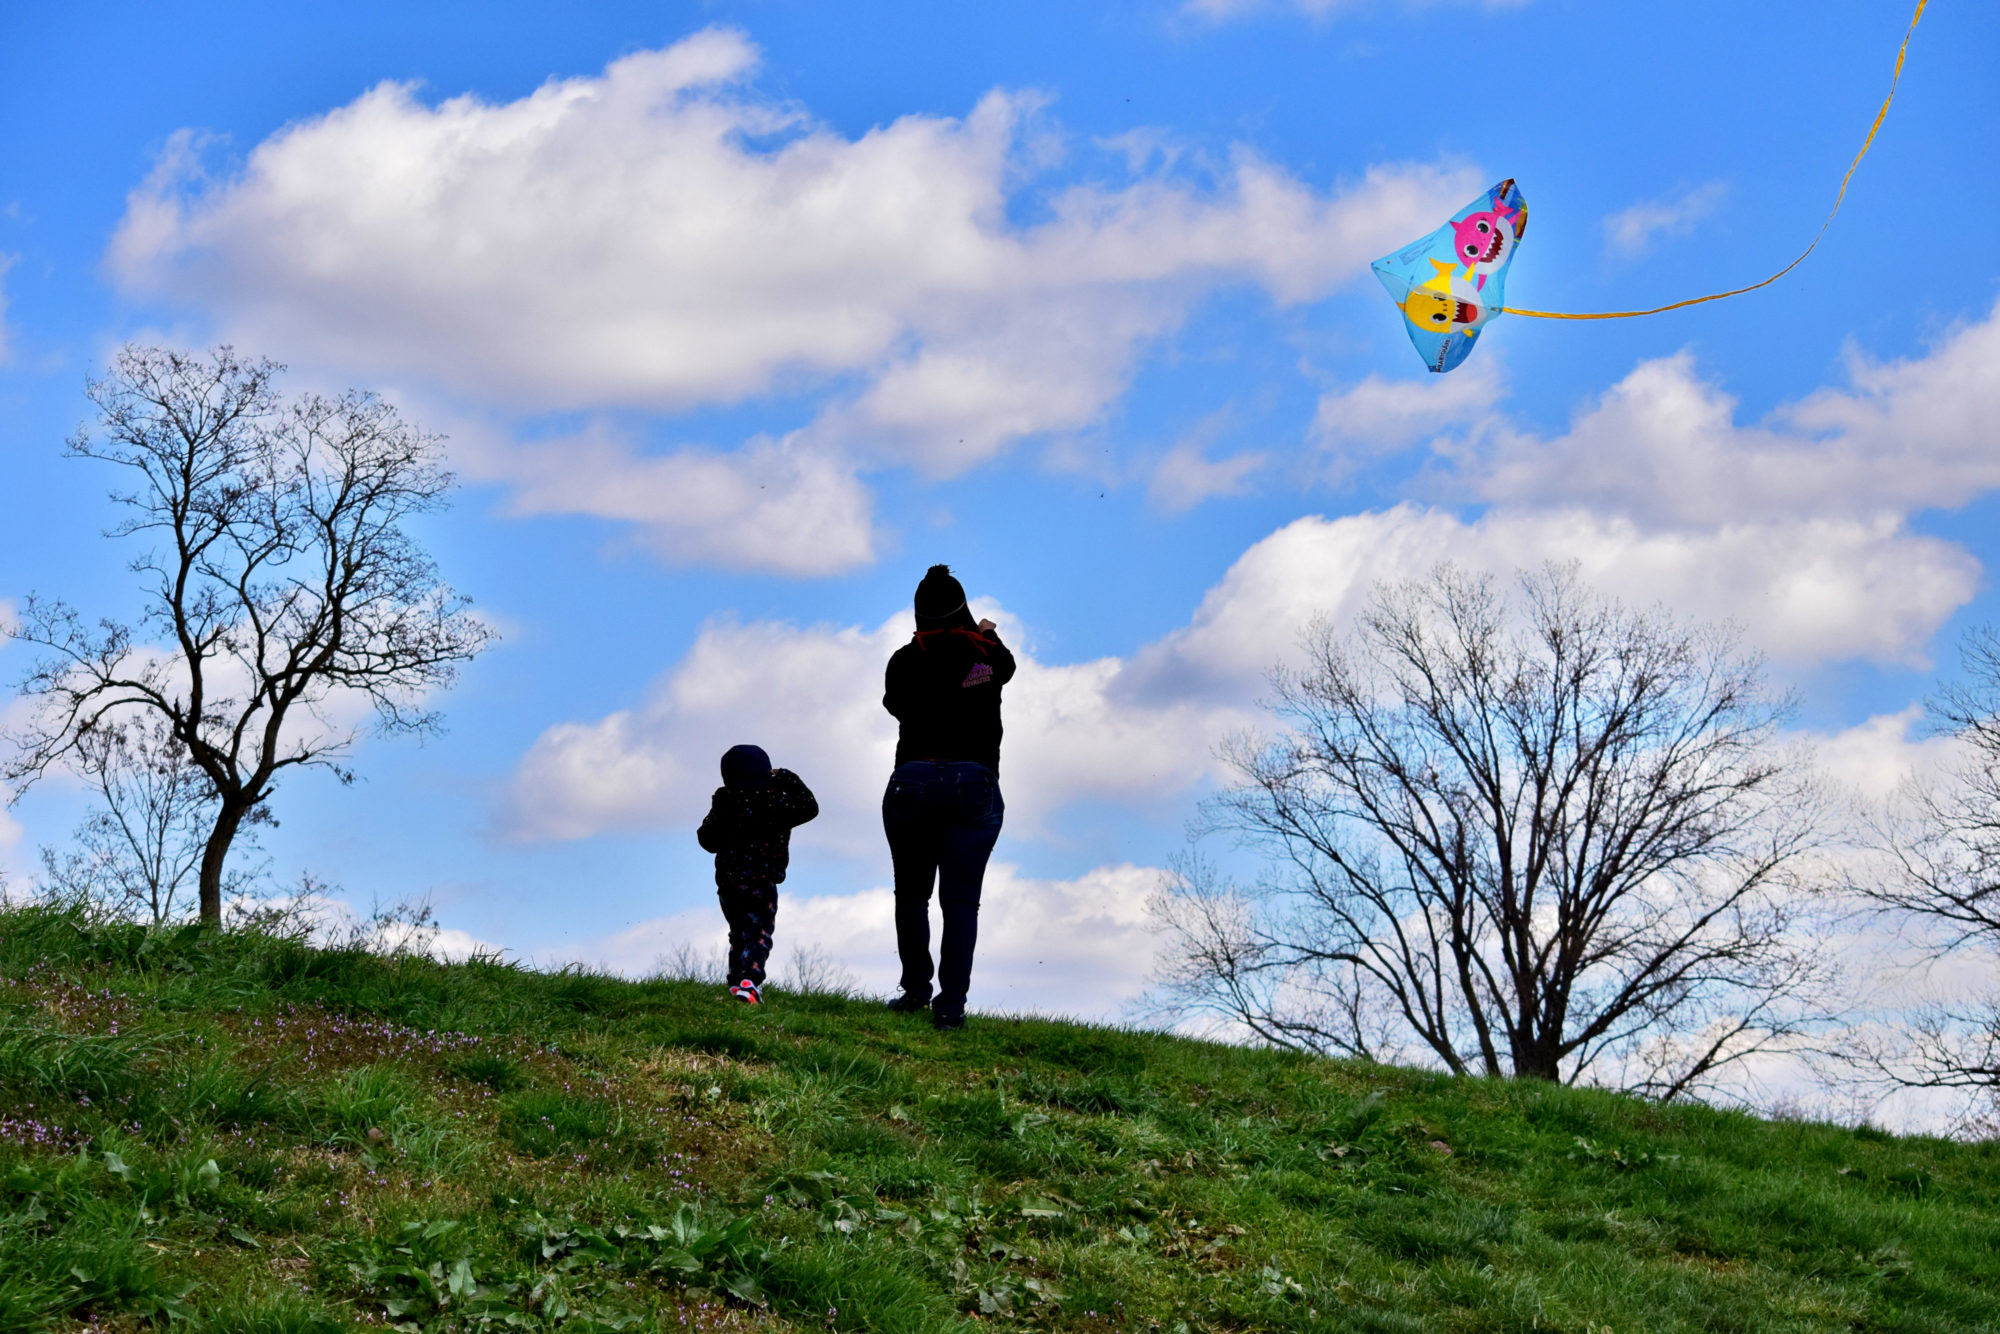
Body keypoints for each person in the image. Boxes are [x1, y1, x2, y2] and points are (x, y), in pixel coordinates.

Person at [880, 564, 1017, 1029]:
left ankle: (915, 991)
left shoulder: (903, 660)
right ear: (963, 608)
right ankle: (951, 1007)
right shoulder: (982, 658)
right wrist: (985, 636)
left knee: (912, 894)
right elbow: (1002, 669)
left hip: (913, 782)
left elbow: (895, 703)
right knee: (960, 901)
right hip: (972, 783)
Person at [696, 744, 819, 1005]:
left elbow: (707, 840)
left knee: (738, 931)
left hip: (728, 882)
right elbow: (810, 807)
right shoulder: (775, 803)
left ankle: (735, 981)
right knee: (758, 932)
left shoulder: (725, 801)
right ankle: (749, 982)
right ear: (766, 773)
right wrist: (787, 776)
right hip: (761, 880)